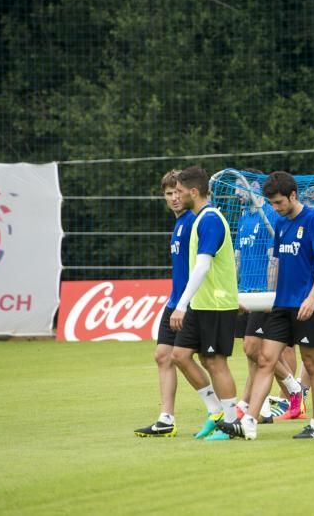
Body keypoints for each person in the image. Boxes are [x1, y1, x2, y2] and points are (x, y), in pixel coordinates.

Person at [218, 170, 314, 440]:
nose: (275, 208)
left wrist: (312, 297)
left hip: (308, 304)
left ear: (293, 195)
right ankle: (248, 422)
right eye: (271, 203)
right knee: (265, 358)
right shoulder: (280, 224)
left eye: (279, 202)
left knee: (312, 363)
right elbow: (278, 262)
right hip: (282, 304)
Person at [169, 166, 241, 442]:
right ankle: (215, 411)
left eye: (181, 191)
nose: (178, 195)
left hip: (215, 304)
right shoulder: (199, 219)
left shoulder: (210, 219)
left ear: (194, 192)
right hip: (202, 304)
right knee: (180, 355)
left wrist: (181, 305)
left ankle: (232, 423)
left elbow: (202, 266)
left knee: (215, 362)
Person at [232, 177, 305, 423]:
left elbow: (274, 258)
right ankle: (254, 402)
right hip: (247, 292)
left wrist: (273, 294)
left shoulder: (270, 215)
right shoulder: (244, 218)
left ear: (252, 187)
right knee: (255, 353)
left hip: (266, 294)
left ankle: (289, 393)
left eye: (239, 187)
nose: (235, 192)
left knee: (254, 347)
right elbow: (238, 257)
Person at [134, 169, 197, 437]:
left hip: (193, 302)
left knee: (208, 360)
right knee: (163, 355)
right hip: (175, 301)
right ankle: (166, 418)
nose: (173, 198)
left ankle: (222, 410)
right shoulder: (179, 223)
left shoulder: (195, 221)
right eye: (168, 193)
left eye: (177, 192)